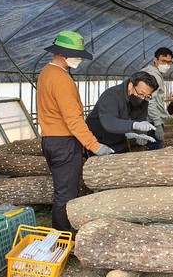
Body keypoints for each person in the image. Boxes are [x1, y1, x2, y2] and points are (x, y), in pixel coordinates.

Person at [37, 30, 113, 231]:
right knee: (66, 195)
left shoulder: (46, 72)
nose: (79, 59)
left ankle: (62, 235)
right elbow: (73, 119)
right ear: (61, 53)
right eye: (76, 55)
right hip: (64, 142)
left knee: (63, 191)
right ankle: (63, 239)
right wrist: (95, 146)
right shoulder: (61, 79)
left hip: (50, 140)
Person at [86, 71, 158, 153]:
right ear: (131, 86)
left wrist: (141, 134)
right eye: (141, 94)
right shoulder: (111, 96)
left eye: (147, 96)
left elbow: (140, 118)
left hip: (120, 140)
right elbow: (109, 123)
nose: (142, 99)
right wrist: (134, 125)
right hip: (99, 142)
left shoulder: (144, 100)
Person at [140, 47, 173, 150]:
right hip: (152, 122)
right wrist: (158, 124)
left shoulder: (151, 72)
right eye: (163, 61)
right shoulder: (153, 75)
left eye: (169, 62)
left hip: (146, 120)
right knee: (155, 153)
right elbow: (150, 101)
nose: (166, 65)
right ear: (155, 60)